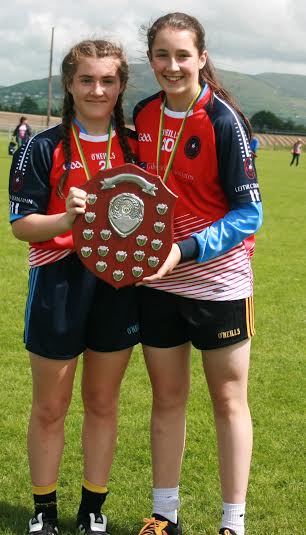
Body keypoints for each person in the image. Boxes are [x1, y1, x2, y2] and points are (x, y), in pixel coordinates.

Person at [133, 12, 263, 535]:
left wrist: (185, 249)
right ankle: (164, 515)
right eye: (162, 55)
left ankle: (234, 522)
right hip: (158, 283)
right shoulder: (142, 115)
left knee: (229, 401)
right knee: (166, 399)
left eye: (182, 54)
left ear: (201, 58)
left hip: (218, 282)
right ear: (151, 60)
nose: (172, 65)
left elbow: (248, 214)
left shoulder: (224, 120)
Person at [9, 39, 139, 535]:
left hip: (117, 284)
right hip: (58, 281)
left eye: (108, 80)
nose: (97, 89)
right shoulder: (42, 145)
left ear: (121, 85)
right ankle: (44, 513)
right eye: (87, 79)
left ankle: (92, 511)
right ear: (69, 83)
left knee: (103, 402)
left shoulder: (134, 147)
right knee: (50, 405)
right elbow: (21, 225)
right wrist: (66, 217)